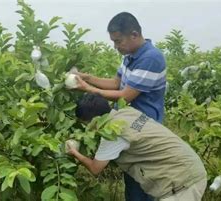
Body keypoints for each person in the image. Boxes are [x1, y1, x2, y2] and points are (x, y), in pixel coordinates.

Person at [71, 12, 166, 200]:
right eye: (114, 42)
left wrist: (88, 88)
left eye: (118, 41)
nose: (116, 46)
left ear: (134, 34)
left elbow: (124, 96)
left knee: (143, 180)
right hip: (129, 121)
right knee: (133, 179)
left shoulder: (151, 58)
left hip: (143, 126)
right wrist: (87, 78)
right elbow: (116, 83)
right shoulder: (130, 55)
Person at [67, 93, 207, 201]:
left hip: (182, 183)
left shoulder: (112, 134)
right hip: (189, 167)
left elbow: (95, 168)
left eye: (86, 124)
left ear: (94, 120)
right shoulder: (127, 112)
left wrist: (75, 152)